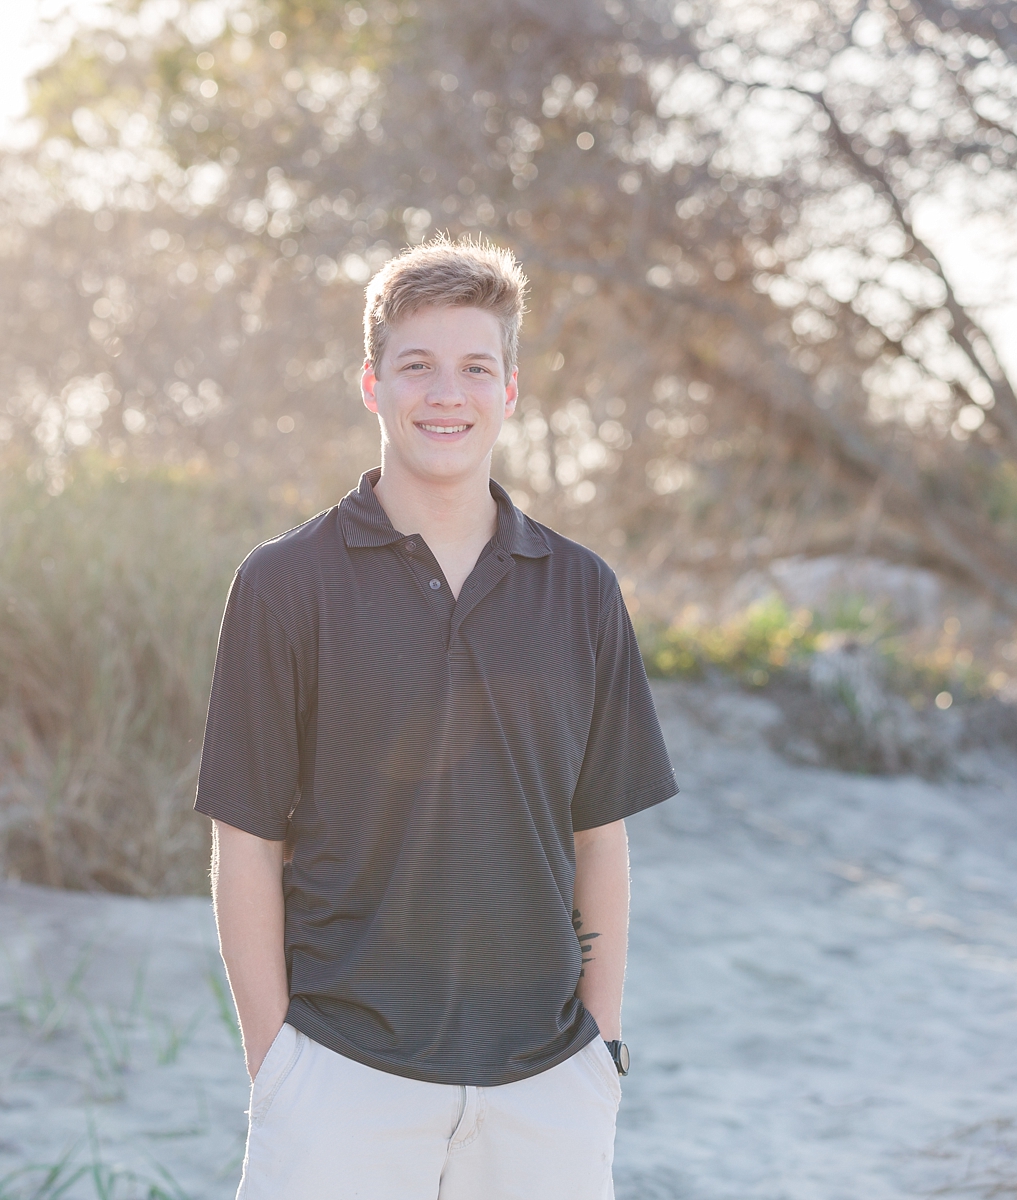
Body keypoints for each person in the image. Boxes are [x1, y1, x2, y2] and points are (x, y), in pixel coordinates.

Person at [195, 235, 677, 1199]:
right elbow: (245, 843)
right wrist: (276, 1063)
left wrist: (602, 1043)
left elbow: (600, 835)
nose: (445, 393)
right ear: (372, 385)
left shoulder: (580, 589)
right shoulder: (285, 586)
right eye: (416, 366)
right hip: (339, 1075)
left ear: (511, 388)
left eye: (474, 368)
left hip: (547, 1087)